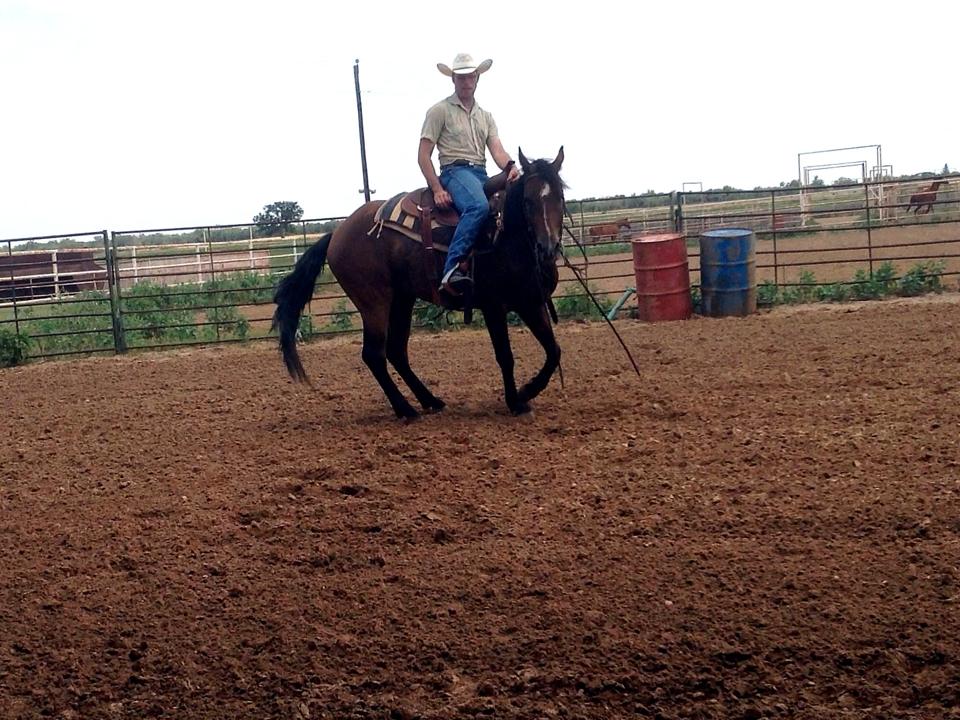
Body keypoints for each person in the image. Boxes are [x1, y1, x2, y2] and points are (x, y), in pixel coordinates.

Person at [418, 53, 521, 295]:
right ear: (453, 79)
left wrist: (510, 168)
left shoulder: (485, 116)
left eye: (471, 77)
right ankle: (452, 268)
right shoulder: (439, 111)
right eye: (461, 77)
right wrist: (437, 189)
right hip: (455, 171)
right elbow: (423, 155)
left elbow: (497, 150)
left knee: (515, 201)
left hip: (481, 173)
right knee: (477, 207)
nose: (467, 82)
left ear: (477, 79)